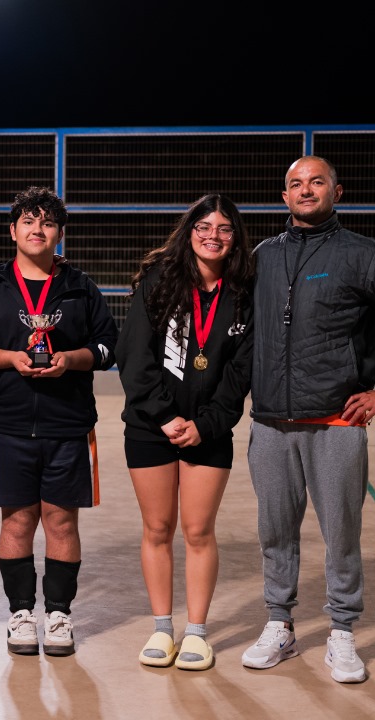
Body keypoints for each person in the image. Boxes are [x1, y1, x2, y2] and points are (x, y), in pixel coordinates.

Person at [240, 156, 375, 683]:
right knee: (274, 531)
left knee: (341, 534)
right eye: (295, 184)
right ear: (284, 196)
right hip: (271, 423)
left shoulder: (362, 254)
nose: (306, 190)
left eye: (316, 182)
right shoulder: (263, 256)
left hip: (336, 424)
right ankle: (279, 623)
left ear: (337, 191)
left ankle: (342, 631)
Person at [0, 186, 118, 657]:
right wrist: (10, 358)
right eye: (28, 221)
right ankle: (21, 613)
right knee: (17, 521)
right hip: (9, 425)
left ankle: (60, 614)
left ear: (59, 233)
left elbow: (109, 348)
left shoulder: (80, 287)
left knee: (61, 522)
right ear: (13, 230)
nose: (37, 230)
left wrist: (71, 359)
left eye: (47, 222)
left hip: (68, 424)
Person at [116, 194, 254, 671]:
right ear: (189, 230)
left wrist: (207, 424)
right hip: (150, 426)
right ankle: (161, 627)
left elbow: (240, 373)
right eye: (204, 226)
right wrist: (164, 416)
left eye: (224, 228)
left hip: (208, 430)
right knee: (157, 528)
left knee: (198, 530)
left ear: (235, 237)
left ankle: (196, 632)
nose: (213, 236)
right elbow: (134, 355)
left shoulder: (243, 293)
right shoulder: (159, 279)